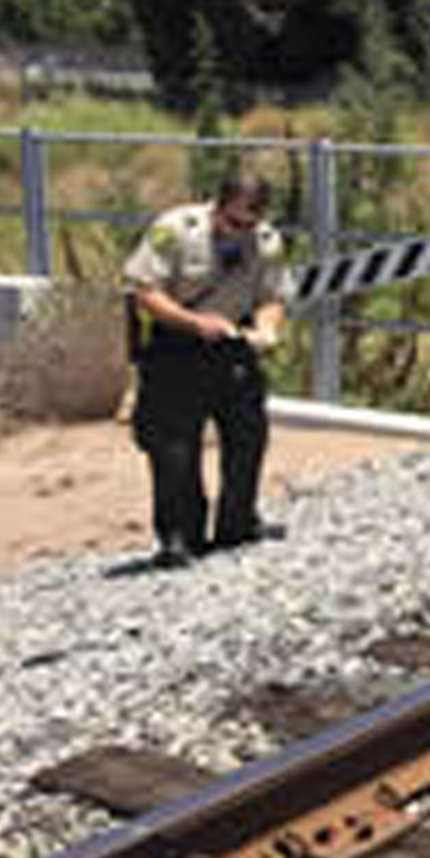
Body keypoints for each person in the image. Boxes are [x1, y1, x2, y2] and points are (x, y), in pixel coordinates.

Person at [122, 172, 288, 568]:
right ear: (217, 207)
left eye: (250, 224)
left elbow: (273, 294)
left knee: (248, 435)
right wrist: (196, 323)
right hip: (177, 347)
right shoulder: (175, 230)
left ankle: (237, 524)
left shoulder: (266, 243)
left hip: (232, 345)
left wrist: (267, 327)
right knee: (174, 448)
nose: (241, 232)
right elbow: (145, 291)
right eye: (234, 223)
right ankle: (180, 537)